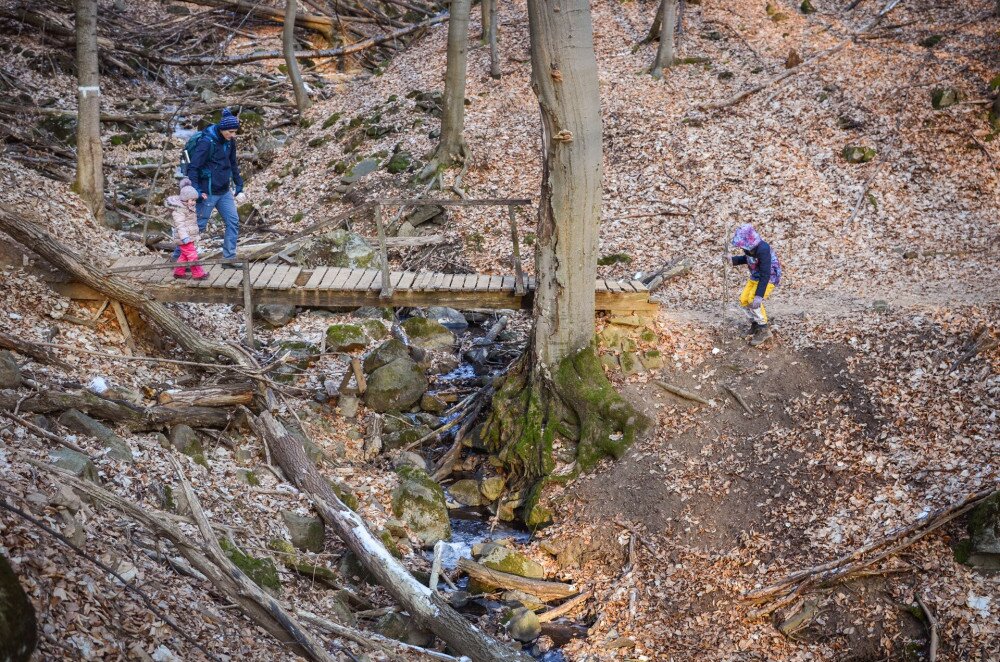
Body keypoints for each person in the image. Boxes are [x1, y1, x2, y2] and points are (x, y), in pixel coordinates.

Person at [185, 107, 247, 268]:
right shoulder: (207, 142)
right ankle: (178, 260)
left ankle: (229, 259)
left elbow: (233, 163)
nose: (233, 135)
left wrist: (239, 183)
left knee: (233, 222)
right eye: (231, 132)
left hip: (224, 191)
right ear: (223, 129)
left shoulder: (230, 142)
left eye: (235, 132)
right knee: (197, 227)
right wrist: (196, 191)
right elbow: (193, 168)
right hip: (207, 192)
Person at [726, 223, 781, 347]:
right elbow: (748, 259)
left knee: (753, 300)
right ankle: (755, 324)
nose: (742, 248)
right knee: (744, 299)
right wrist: (733, 259)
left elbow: (766, 274)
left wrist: (759, 295)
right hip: (755, 276)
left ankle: (764, 328)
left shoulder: (763, 249)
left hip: (768, 278)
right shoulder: (748, 248)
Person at [167, 178, 207, 280]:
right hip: (183, 238)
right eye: (192, 200)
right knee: (192, 255)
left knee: (185, 256)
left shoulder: (189, 208)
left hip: (189, 236)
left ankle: (179, 273)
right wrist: (184, 237)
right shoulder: (179, 211)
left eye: (194, 200)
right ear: (185, 200)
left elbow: (191, 223)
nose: (194, 202)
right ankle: (198, 274)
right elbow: (180, 226)